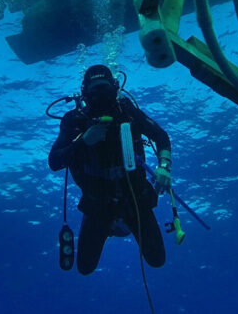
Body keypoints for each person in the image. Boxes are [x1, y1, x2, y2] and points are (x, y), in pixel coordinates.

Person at [48, 64, 173, 275]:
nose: (101, 98)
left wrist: (164, 167)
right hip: (97, 204)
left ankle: (118, 224)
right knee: (85, 267)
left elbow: (161, 136)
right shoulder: (75, 120)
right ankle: (108, 226)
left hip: (136, 199)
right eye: (95, 92)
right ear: (85, 94)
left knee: (157, 260)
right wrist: (83, 142)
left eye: (105, 90)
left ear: (115, 90)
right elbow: (54, 162)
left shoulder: (128, 112)